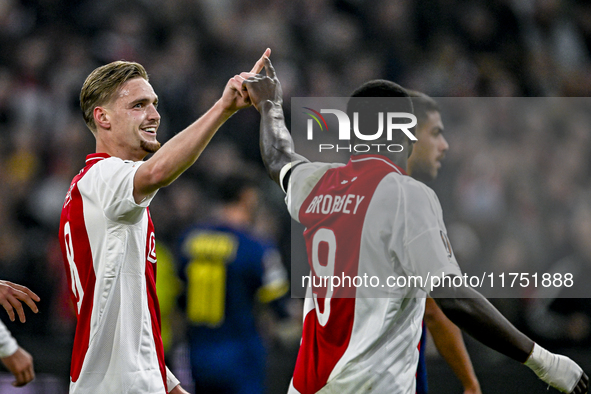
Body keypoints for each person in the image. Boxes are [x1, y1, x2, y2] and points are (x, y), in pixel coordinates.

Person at [242, 54, 588, 394]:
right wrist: (545, 362)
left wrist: (270, 103)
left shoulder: (315, 181)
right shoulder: (406, 194)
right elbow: (452, 298)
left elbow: (278, 157)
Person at [58, 49, 270, 394]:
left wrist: (169, 384)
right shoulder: (103, 177)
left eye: (154, 103)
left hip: (130, 380)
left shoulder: (107, 193)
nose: (154, 114)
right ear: (103, 118)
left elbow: (130, 316)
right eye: (138, 105)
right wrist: (223, 109)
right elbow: (157, 171)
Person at [176, 173, 290, 394]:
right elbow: (280, 306)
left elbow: (179, 296)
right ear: (248, 198)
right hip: (242, 358)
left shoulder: (188, 240)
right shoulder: (257, 247)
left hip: (198, 356)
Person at [407, 91, 480, 394]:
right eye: (435, 133)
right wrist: (470, 383)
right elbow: (436, 309)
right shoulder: (412, 202)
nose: (444, 145)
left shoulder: (338, 192)